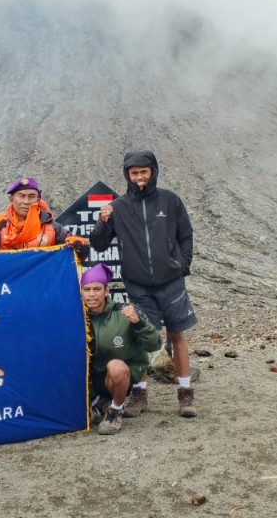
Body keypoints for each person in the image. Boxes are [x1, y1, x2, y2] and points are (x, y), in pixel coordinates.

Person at [89, 150, 199, 417]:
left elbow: (185, 234)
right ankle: (140, 393)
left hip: (170, 281)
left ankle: (185, 394)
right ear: (127, 175)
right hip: (137, 284)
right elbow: (98, 244)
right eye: (134, 173)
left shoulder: (170, 200)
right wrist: (102, 223)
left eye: (143, 172)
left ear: (153, 172)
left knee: (177, 334)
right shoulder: (118, 207)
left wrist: (182, 265)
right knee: (139, 340)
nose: (139, 177)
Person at [82, 264, 161, 435]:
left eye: (97, 289)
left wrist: (138, 323)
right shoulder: (76, 316)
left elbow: (154, 344)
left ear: (107, 290)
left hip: (121, 375)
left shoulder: (124, 313)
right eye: (86, 289)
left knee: (115, 366)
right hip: (92, 380)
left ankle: (115, 410)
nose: (92, 294)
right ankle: (98, 402)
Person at [0, 176, 88, 255]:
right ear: (11, 199)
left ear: (37, 200)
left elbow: (78, 257)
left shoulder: (52, 228)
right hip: (8, 286)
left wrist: (81, 247)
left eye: (31, 197)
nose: (26, 201)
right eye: (21, 196)